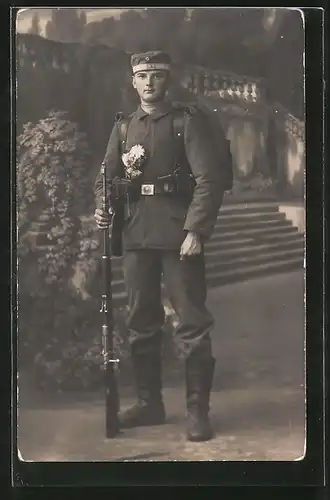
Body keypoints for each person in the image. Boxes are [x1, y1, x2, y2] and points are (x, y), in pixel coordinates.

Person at [94, 51, 226, 442]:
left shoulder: (186, 122)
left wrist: (196, 231)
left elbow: (209, 181)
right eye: (142, 76)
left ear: (167, 80)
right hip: (136, 235)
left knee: (191, 321)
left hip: (177, 235)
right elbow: (105, 177)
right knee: (140, 320)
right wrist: (103, 209)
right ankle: (150, 404)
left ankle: (197, 412)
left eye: (156, 75)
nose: (149, 82)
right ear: (133, 82)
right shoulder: (122, 128)